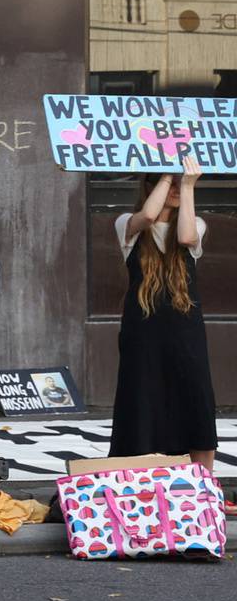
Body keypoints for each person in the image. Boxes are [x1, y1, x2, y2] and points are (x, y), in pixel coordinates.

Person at [110, 155, 215, 464]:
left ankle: (204, 485)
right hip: (143, 333)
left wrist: (188, 185)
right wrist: (169, 173)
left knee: (196, 398)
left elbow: (185, 237)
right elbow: (147, 216)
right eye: (166, 182)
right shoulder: (126, 224)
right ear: (149, 184)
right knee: (143, 402)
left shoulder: (195, 222)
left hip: (185, 331)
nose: (175, 188)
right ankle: (143, 476)